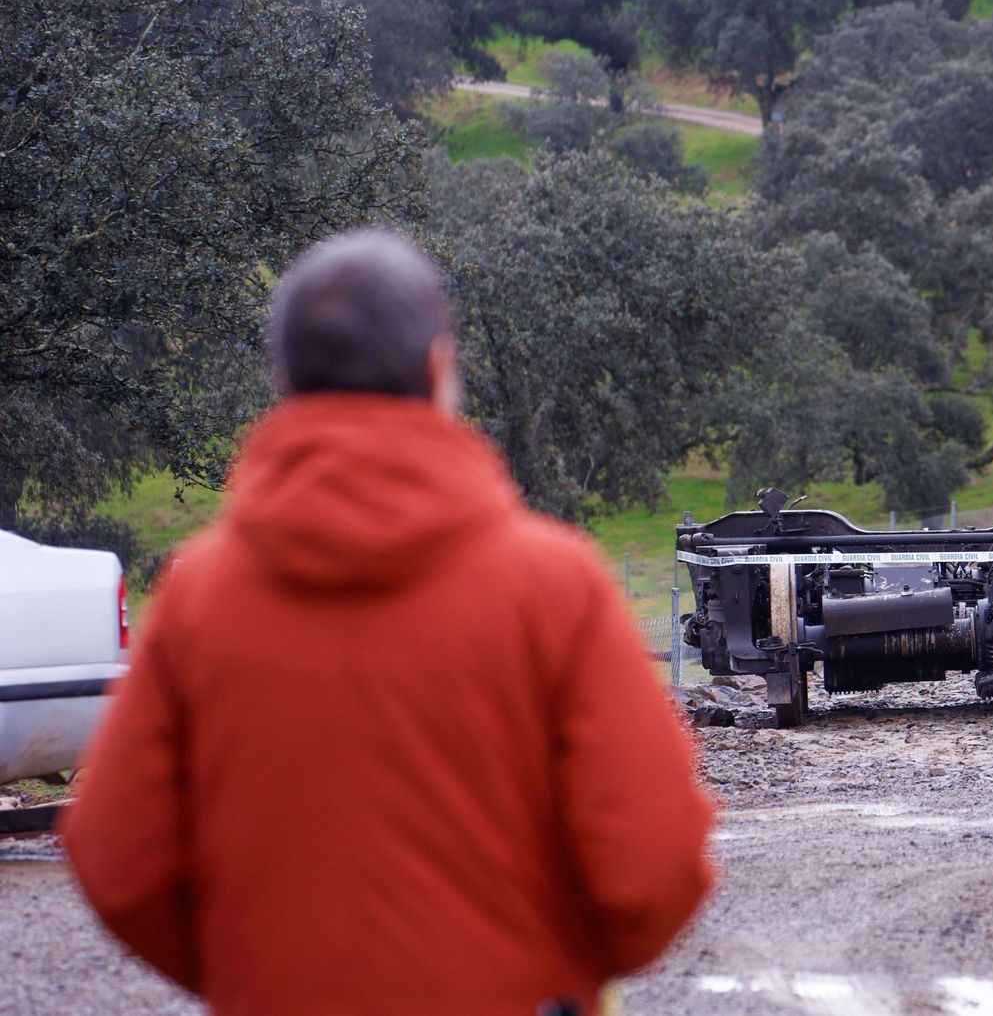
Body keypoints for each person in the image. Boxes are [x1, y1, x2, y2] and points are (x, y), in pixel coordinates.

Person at [62, 229, 715, 1015]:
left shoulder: (198, 597)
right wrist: (555, 974)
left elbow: (115, 855)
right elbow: (655, 863)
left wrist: (251, 972)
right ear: (438, 370)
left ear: (285, 382)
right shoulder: (554, 586)